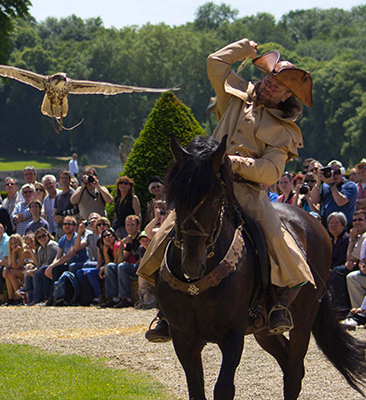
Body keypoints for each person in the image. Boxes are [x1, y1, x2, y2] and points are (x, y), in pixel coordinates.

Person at [139, 39, 315, 339]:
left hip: (248, 191)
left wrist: (234, 163)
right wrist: (243, 48)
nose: (269, 86)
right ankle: (164, 307)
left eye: (277, 86)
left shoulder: (285, 131)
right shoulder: (235, 95)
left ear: (288, 96)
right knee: (170, 228)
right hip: (210, 183)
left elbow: (271, 171)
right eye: (269, 79)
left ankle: (276, 303)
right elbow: (214, 63)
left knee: (272, 236)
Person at [37, 215, 88, 305]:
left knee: (57, 269)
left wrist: (52, 266)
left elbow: (68, 256)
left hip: (78, 263)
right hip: (68, 264)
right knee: (45, 269)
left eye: (69, 224)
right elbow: (58, 256)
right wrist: (50, 267)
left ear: (75, 226)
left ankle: (55, 298)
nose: (66, 226)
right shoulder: (62, 239)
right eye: (65, 224)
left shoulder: (76, 238)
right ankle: (47, 297)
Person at [329, 209, 366, 316]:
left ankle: (342, 308)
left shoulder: (362, 236)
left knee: (337, 272)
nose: (357, 222)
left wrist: (352, 239)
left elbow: (350, 258)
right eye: (354, 220)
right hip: (356, 265)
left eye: (360, 220)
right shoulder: (329, 240)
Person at [101, 215, 142, 308]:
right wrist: (122, 244)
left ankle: (126, 298)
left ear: (138, 226)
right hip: (131, 266)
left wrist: (132, 265)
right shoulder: (129, 239)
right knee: (110, 266)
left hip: (141, 266)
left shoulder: (142, 237)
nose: (130, 227)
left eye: (132, 225)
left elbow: (144, 257)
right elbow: (120, 259)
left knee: (122, 267)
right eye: (127, 225)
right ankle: (113, 298)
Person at [311, 160, 358, 229]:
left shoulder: (350, 185)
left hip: (344, 227)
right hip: (327, 226)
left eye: (338, 172)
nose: (335, 176)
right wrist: (318, 182)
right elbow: (314, 200)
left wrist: (332, 184)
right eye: (331, 173)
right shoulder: (325, 186)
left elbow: (340, 202)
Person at [27, 227, 59, 305]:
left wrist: (35, 270)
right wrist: (33, 270)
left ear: (48, 235)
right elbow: (39, 264)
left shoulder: (52, 245)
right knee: (29, 272)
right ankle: (26, 291)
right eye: (39, 237)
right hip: (45, 268)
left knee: (39, 273)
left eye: (44, 236)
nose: (42, 238)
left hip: (55, 267)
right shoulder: (40, 248)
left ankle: (39, 298)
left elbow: (49, 262)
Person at [3, 234, 31, 305]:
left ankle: (19, 297)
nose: (14, 245)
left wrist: (13, 253)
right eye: (12, 244)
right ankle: (11, 298)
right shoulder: (14, 252)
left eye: (16, 242)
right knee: (7, 273)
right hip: (21, 271)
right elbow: (11, 265)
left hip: (27, 271)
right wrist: (6, 268)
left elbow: (16, 267)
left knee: (11, 273)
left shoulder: (24, 252)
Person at [53, 171, 76, 239]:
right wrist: (56, 218)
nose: (64, 180)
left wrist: (63, 219)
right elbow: (55, 212)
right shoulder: (58, 196)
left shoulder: (73, 194)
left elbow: (76, 210)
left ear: (69, 180)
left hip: (71, 228)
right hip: (59, 228)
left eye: (66, 178)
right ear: (59, 180)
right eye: (62, 178)